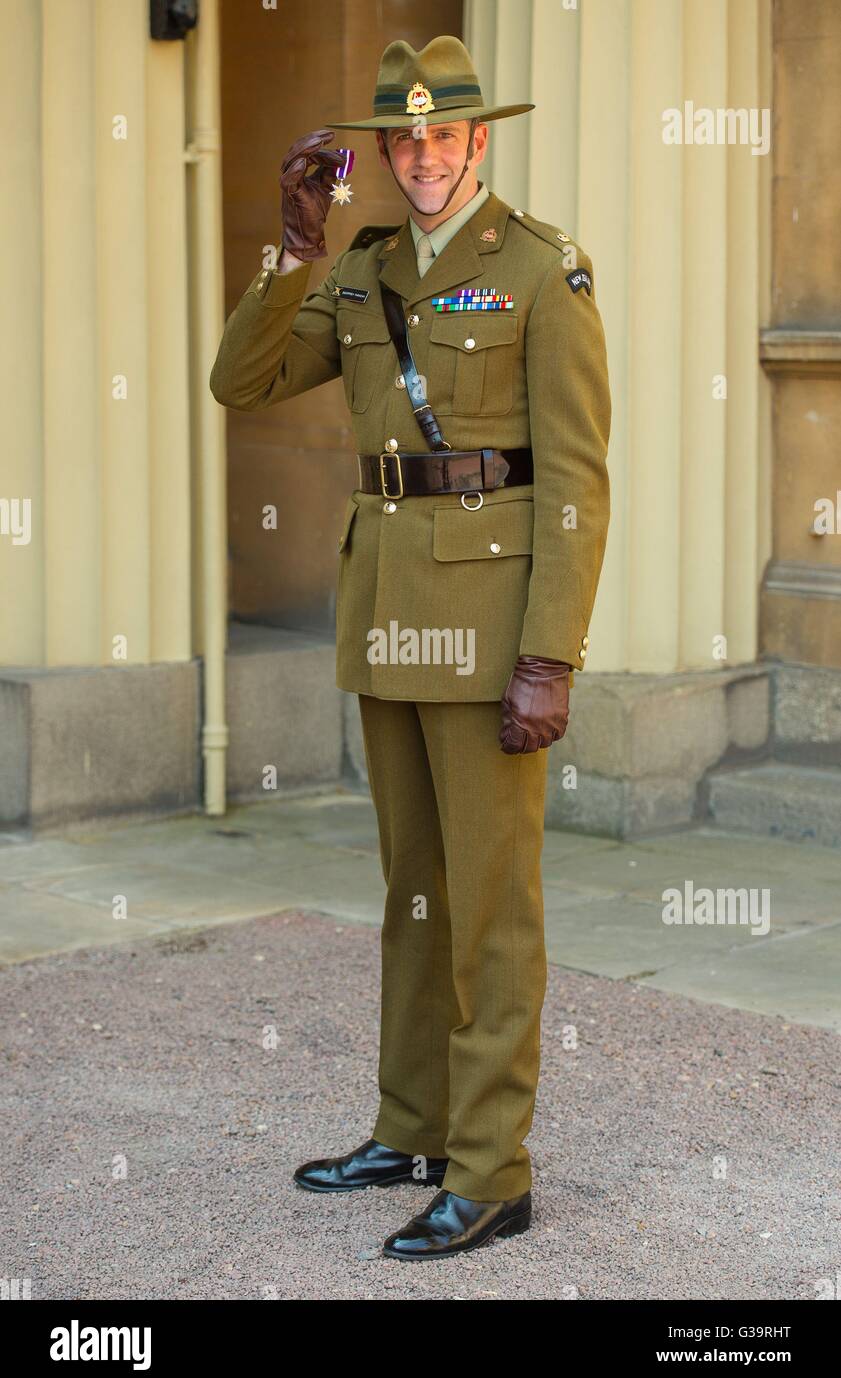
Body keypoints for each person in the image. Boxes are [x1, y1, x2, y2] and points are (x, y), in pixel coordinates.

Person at [210, 34, 611, 1261]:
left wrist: (552, 654)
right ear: (385, 153)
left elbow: (579, 484)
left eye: (445, 134)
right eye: (405, 138)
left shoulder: (544, 272)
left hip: (491, 638)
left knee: (492, 909)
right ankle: (412, 1123)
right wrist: (293, 250)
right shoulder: (363, 268)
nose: (424, 154)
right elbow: (243, 379)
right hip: (388, 619)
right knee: (417, 896)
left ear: (479, 140)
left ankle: (492, 1171)